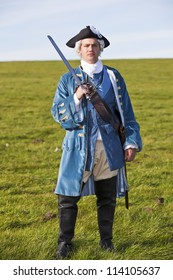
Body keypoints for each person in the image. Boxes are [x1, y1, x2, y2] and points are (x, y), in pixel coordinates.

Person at [51, 26, 142, 259]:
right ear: (79, 51)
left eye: (94, 45)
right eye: (86, 46)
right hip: (77, 147)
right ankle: (65, 243)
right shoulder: (67, 79)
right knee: (68, 198)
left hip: (108, 146)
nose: (90, 49)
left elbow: (127, 114)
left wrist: (130, 142)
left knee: (107, 197)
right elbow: (58, 113)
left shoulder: (114, 77)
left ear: (100, 49)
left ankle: (106, 242)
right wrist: (77, 96)